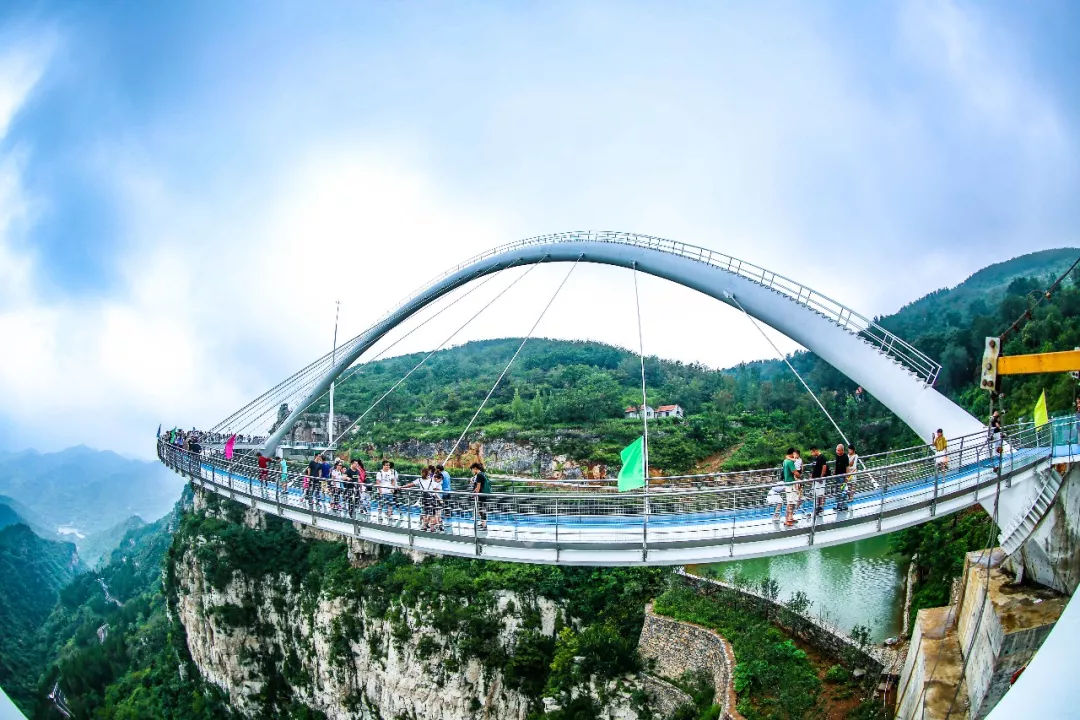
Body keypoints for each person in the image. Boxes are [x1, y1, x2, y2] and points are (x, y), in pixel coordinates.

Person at [782, 448, 800, 527]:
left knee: (791, 502)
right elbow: (795, 473)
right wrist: (800, 476)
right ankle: (788, 520)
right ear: (792, 453)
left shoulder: (786, 461)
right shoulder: (789, 462)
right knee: (790, 503)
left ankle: (790, 518)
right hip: (790, 485)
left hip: (788, 484)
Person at [471, 462, 491, 530]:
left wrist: (474, 494)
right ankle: (483, 524)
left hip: (481, 495)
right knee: (481, 509)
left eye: (472, 469)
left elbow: (478, 487)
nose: (472, 471)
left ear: (475, 469)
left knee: (482, 510)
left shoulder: (479, 475)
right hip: (484, 494)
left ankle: (484, 525)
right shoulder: (483, 473)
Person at [809, 446, 828, 516]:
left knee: (821, 493)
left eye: (812, 452)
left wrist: (821, 477)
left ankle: (821, 508)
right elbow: (814, 468)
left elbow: (824, 467)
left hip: (820, 479)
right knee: (816, 493)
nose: (811, 454)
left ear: (816, 450)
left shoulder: (822, 457)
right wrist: (811, 476)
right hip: (815, 478)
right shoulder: (815, 458)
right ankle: (817, 507)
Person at [833, 444, 850, 511]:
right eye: (836, 450)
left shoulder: (845, 457)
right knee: (838, 491)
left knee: (843, 491)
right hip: (837, 476)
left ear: (842, 450)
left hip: (842, 477)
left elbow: (847, 467)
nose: (837, 451)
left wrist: (846, 477)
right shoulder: (837, 456)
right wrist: (834, 472)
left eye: (838, 450)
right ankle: (839, 506)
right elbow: (836, 464)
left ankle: (844, 506)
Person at [437, 464, 452, 530]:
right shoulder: (447, 473)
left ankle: (444, 521)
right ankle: (448, 521)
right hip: (449, 490)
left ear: (438, 469)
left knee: (442, 505)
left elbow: (440, 482)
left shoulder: (441, 475)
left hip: (443, 491)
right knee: (447, 505)